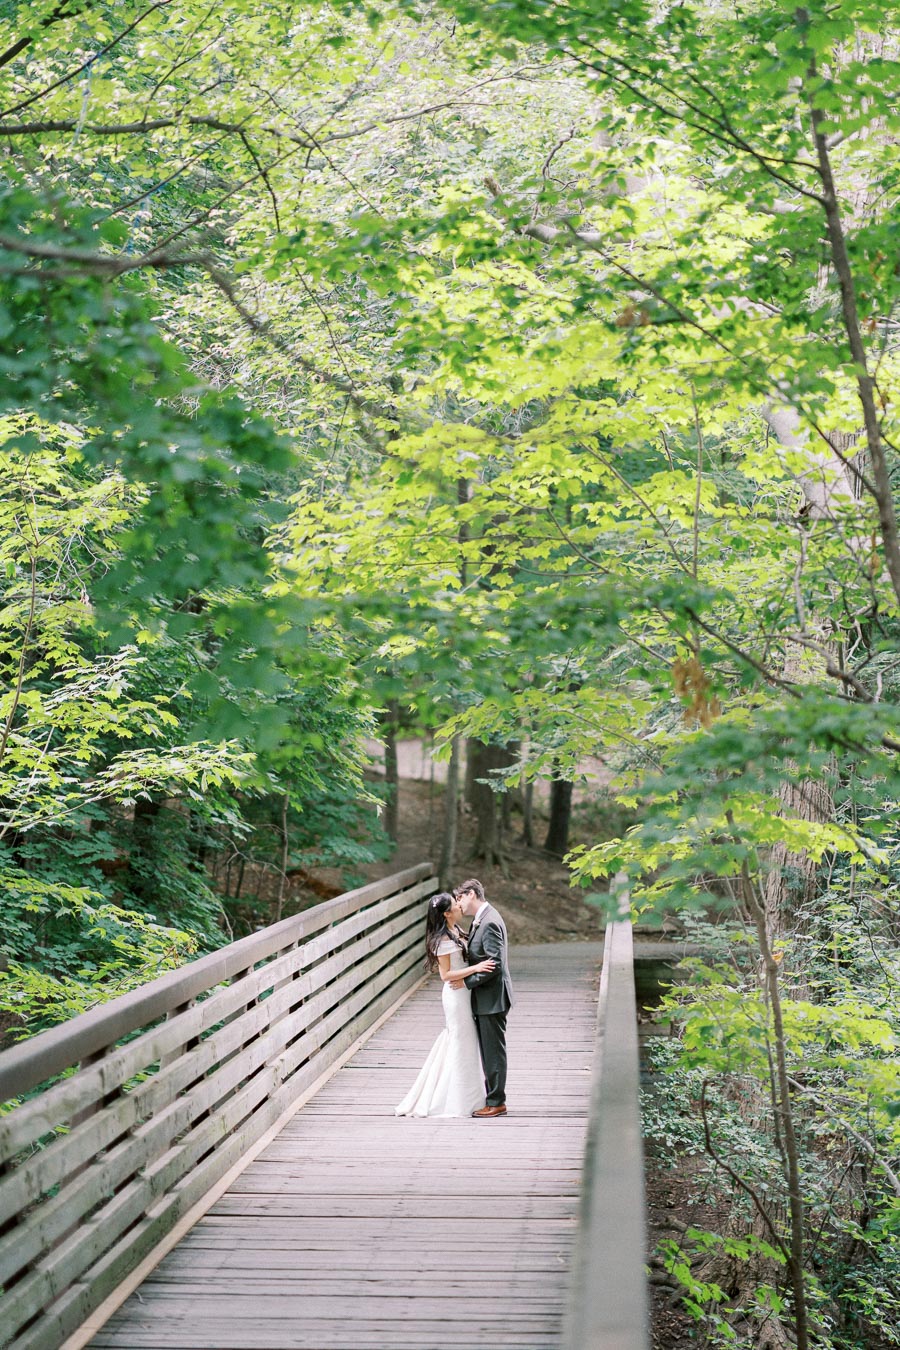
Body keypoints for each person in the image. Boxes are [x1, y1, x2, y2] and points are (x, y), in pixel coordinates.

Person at [394, 892, 496, 1118]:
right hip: (455, 996)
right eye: (455, 905)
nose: (460, 906)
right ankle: (458, 1101)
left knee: (462, 1042)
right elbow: (445, 974)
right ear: (447, 913)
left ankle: (466, 1097)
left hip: (464, 993)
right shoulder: (442, 940)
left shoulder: (456, 931)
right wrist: (476, 969)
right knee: (461, 1041)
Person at [453, 878, 513, 1118]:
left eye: (459, 898)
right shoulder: (484, 919)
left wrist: (467, 982)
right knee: (490, 1051)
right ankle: (494, 1098)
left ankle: (497, 1101)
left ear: (470, 894)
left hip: (492, 999)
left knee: (492, 1052)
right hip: (488, 998)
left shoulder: (488, 922)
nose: (459, 904)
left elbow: (495, 964)